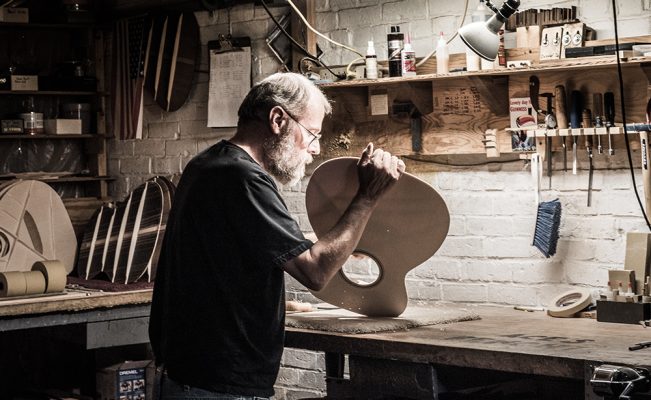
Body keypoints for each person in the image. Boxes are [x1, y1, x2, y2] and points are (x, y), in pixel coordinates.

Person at [149, 72, 405, 399]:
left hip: (194, 376)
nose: (315, 148)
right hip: (218, 385)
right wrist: (367, 196)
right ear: (278, 119)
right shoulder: (243, 177)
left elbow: (258, 243)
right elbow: (315, 272)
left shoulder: (208, 164)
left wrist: (333, 239)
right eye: (312, 134)